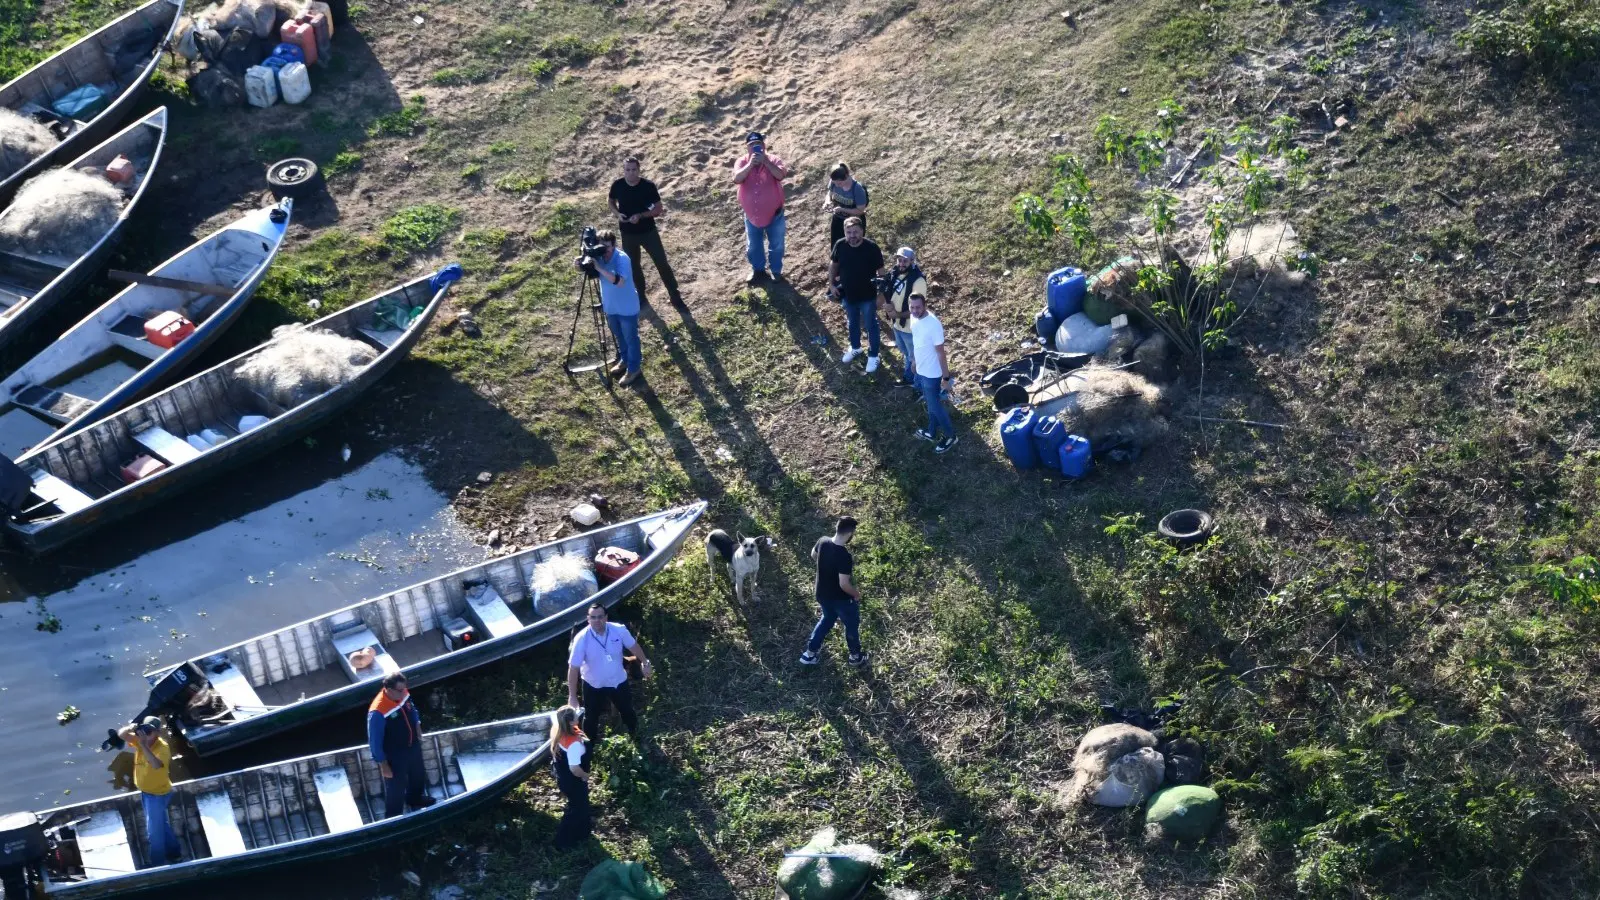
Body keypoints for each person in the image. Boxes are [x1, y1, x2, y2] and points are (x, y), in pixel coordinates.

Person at [566, 603, 654, 744]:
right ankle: (589, 746)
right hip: (593, 685)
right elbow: (573, 668)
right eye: (593, 617)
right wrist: (572, 697)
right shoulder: (582, 639)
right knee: (591, 718)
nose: (597, 620)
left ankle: (637, 739)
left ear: (606, 617)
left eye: (600, 617)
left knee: (628, 711)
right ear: (588, 619)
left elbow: (633, 646)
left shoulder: (618, 630)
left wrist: (645, 662)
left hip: (618, 682)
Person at [608, 157, 684, 308]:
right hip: (628, 233)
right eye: (627, 170)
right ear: (623, 171)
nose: (630, 173)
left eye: (634, 169)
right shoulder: (618, 185)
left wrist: (641, 216)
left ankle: (675, 295)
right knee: (633, 266)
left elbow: (658, 209)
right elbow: (610, 201)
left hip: (648, 232)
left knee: (661, 263)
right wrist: (618, 214)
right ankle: (641, 296)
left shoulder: (648, 186)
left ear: (639, 170)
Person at [574, 229, 643, 386]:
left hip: (627, 307)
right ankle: (624, 360)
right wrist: (579, 265)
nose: (604, 250)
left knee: (631, 339)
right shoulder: (598, 256)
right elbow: (587, 271)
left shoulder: (622, 259)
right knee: (619, 336)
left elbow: (619, 281)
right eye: (601, 246)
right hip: (611, 306)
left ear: (614, 244)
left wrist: (599, 267)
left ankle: (634, 369)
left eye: (607, 247)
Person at [800, 516, 868, 667]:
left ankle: (810, 654)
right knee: (851, 624)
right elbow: (844, 584)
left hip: (822, 593)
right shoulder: (844, 556)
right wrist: (856, 594)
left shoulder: (823, 541)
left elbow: (813, 555)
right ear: (850, 533)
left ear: (837, 528)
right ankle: (855, 656)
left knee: (827, 619)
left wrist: (825, 568)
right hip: (840, 599)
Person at [366, 672, 435, 818]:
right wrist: (383, 764)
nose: (404, 692)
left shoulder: (402, 693)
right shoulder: (378, 711)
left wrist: (417, 724)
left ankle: (415, 799)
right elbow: (375, 741)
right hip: (395, 754)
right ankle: (393, 816)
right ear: (388, 690)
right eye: (400, 690)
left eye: (405, 689)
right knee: (396, 786)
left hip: (412, 745)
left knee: (418, 774)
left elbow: (412, 708)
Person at [116, 717, 179, 866]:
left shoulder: (162, 747)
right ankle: (175, 853)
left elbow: (156, 765)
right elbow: (121, 735)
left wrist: (144, 745)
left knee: (154, 834)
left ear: (157, 732)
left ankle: (157, 864)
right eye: (145, 730)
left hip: (157, 795)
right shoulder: (140, 739)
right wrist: (131, 727)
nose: (147, 734)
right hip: (147, 793)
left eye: (151, 731)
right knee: (161, 824)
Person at [827, 218, 886, 373]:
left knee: (870, 325)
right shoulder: (840, 245)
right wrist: (832, 285)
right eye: (849, 232)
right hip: (848, 295)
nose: (852, 235)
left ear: (862, 231)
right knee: (852, 323)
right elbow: (834, 265)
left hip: (868, 296)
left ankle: (873, 355)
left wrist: (882, 294)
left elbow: (881, 272)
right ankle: (855, 347)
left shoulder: (872, 247)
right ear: (845, 232)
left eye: (855, 232)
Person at [732, 130, 790, 284]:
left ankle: (776, 272)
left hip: (775, 215)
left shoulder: (773, 159)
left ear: (764, 146)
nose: (755, 148)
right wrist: (751, 164)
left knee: (777, 245)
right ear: (747, 148)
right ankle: (758, 271)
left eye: (758, 144)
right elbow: (737, 178)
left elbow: (781, 175)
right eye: (751, 145)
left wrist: (766, 162)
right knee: (753, 247)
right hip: (752, 216)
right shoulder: (742, 162)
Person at [909, 293, 958, 454]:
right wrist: (915, 362)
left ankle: (951, 436)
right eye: (912, 307)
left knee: (935, 407)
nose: (914, 310)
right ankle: (931, 431)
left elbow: (941, 353)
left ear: (925, 305)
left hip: (933, 374)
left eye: (918, 307)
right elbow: (917, 342)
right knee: (931, 405)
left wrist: (945, 378)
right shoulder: (914, 318)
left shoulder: (933, 324)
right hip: (921, 370)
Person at [879, 247, 928, 386]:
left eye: (905, 261)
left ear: (912, 261)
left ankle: (919, 387)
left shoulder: (918, 280)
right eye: (899, 260)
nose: (901, 263)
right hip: (897, 325)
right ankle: (909, 379)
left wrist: (898, 314)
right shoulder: (894, 274)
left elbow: (918, 309)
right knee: (908, 355)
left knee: (915, 359)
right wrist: (888, 307)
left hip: (911, 329)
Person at [549, 705, 592, 850]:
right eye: (575, 716)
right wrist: (585, 776)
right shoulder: (574, 745)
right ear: (571, 722)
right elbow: (574, 768)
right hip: (572, 781)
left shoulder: (558, 729)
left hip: (562, 775)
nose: (577, 717)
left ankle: (584, 832)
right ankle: (562, 842)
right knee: (576, 809)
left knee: (582, 806)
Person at [824, 162, 869, 248]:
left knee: (854, 248)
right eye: (834, 182)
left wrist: (842, 209)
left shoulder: (858, 189)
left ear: (847, 176)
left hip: (854, 224)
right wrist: (827, 201)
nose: (837, 185)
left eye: (839, 183)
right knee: (836, 247)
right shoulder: (834, 181)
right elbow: (829, 193)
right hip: (838, 220)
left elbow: (860, 211)